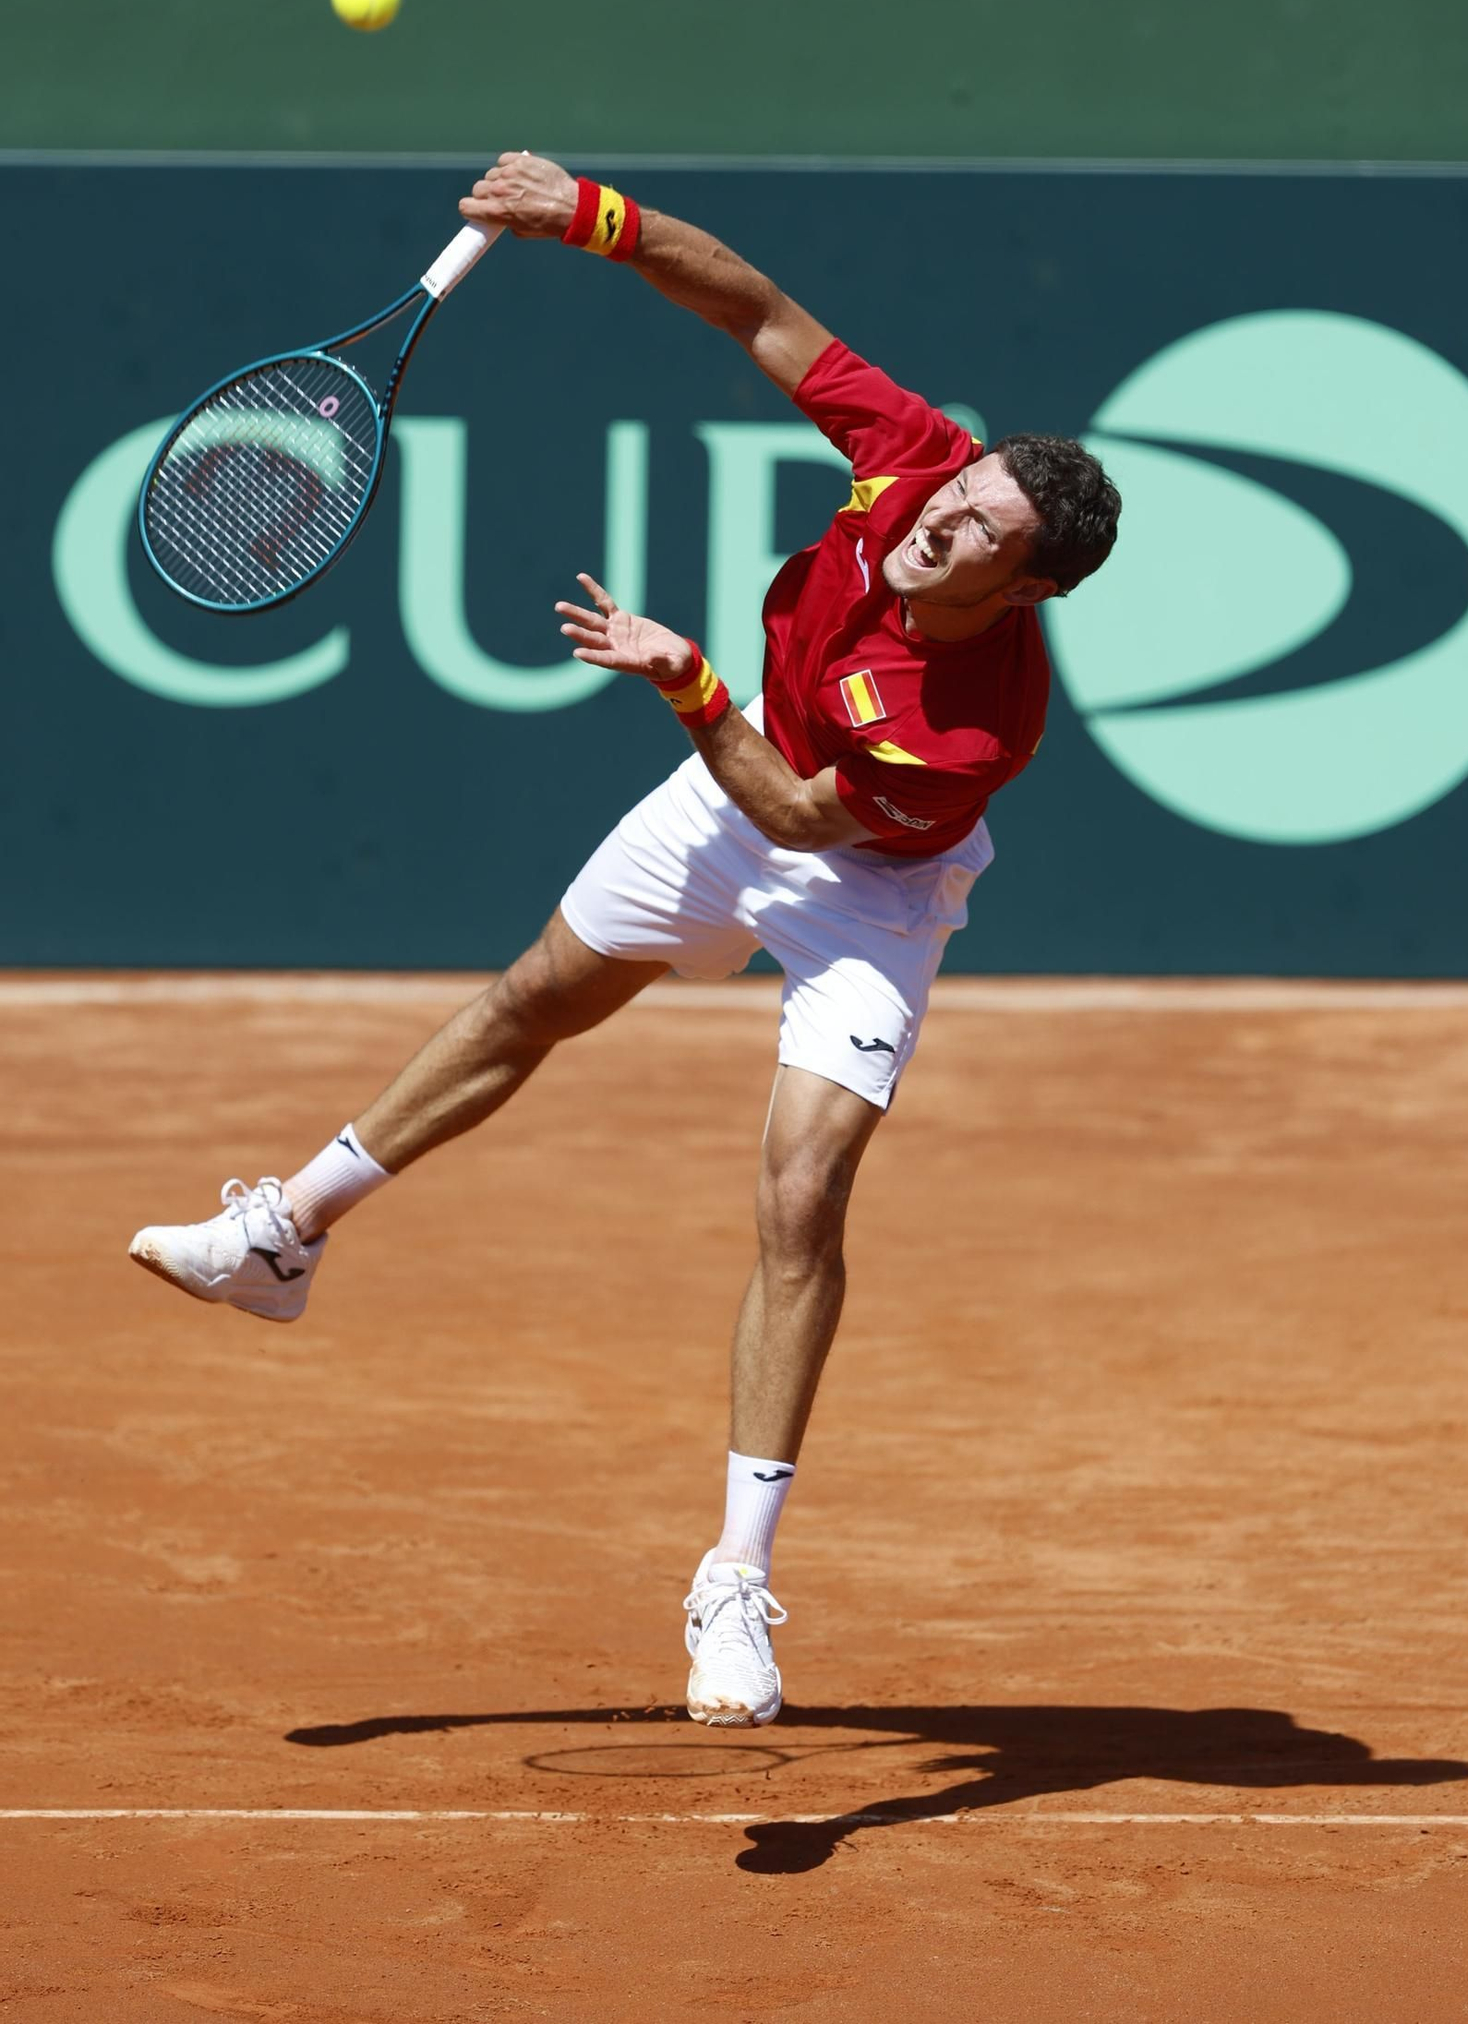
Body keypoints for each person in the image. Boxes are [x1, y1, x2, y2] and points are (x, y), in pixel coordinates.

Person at [128, 155, 1121, 1728]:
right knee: (531, 1000)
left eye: (981, 532)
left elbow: (803, 821)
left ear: (1030, 586)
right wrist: (588, 214)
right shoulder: (911, 460)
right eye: (957, 495)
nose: (942, 521)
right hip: (736, 783)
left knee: (803, 1196)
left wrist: (688, 684)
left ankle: (735, 1580)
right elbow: (758, 313)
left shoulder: (973, 722)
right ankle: (283, 1235)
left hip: (859, 874)